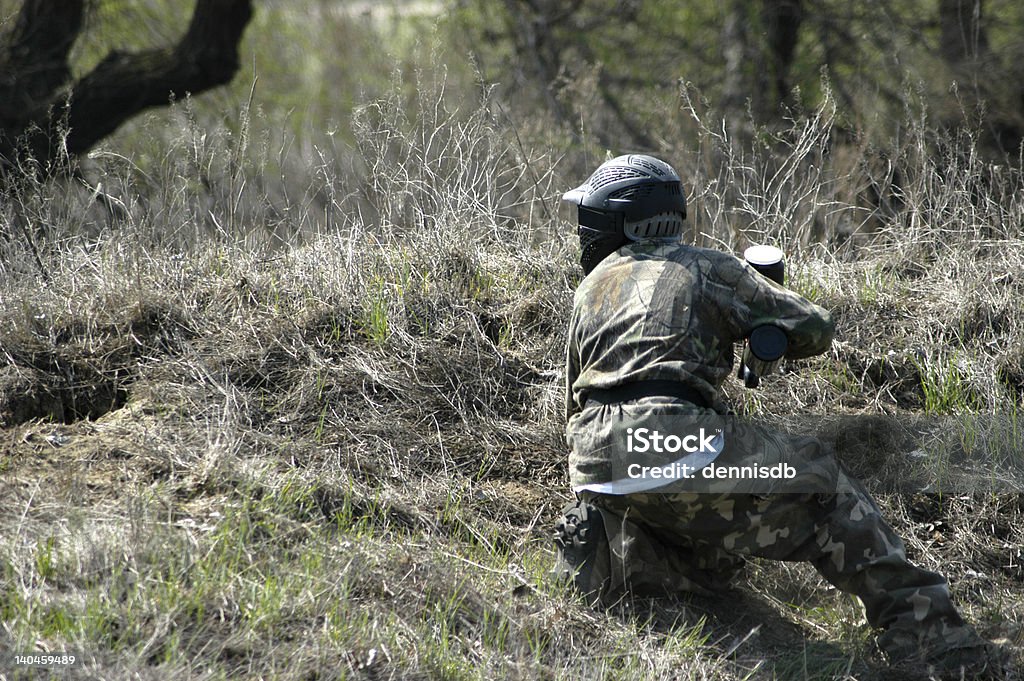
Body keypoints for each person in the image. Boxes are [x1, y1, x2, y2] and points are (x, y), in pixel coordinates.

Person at [552, 154, 1010, 679]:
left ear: (620, 222)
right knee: (822, 483)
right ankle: (933, 635)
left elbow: (571, 400)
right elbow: (813, 326)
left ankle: (627, 564)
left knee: (704, 544)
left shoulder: (590, 290)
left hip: (594, 459)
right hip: (672, 443)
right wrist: (763, 318)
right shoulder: (706, 266)